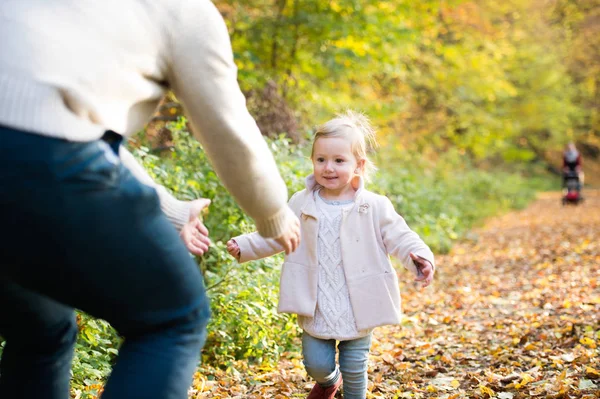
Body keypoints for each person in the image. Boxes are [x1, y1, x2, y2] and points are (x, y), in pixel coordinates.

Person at [0, 0, 301, 398]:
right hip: (42, 163)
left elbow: (61, 123)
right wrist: (275, 213)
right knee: (175, 316)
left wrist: (171, 209)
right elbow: (229, 131)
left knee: (42, 328)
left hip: (37, 154)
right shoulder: (184, 11)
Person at [227, 111, 436, 399]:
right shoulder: (302, 203)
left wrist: (418, 256)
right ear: (312, 161)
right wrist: (246, 245)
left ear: (358, 165)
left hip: (358, 303)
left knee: (355, 366)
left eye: (339, 161)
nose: (329, 168)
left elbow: (400, 236)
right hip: (317, 302)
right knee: (316, 364)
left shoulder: (374, 206)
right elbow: (278, 232)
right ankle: (328, 381)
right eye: (321, 160)